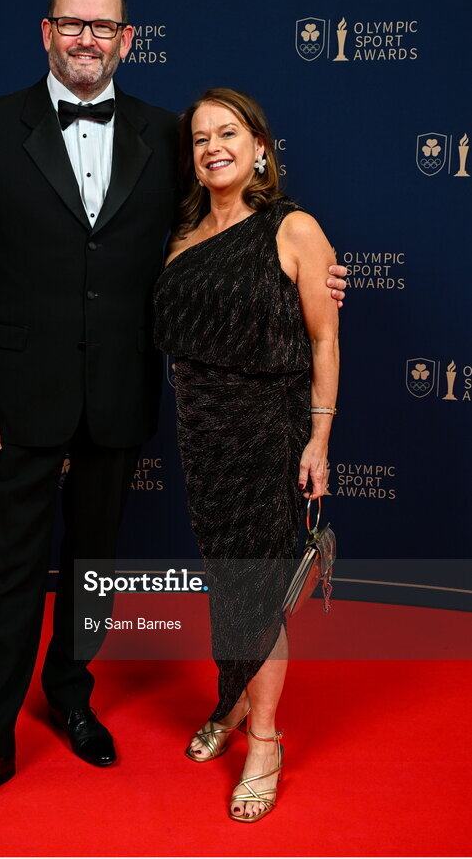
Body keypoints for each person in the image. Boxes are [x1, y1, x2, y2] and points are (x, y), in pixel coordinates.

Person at [0, 0, 347, 826]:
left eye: (102, 28)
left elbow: (231, 223)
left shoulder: (166, 133)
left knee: (93, 567)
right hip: (15, 397)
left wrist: (315, 272)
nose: (86, 40)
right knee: (9, 572)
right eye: (71, 25)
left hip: (120, 394)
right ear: (47, 31)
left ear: (126, 38)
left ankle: (71, 699)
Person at [154, 88, 339, 822]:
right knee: (226, 582)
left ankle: (263, 739)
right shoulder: (181, 239)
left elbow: (324, 338)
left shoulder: (293, 228)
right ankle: (231, 703)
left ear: (258, 145)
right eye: (199, 139)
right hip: (202, 434)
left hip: (270, 428)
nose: (212, 147)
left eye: (226, 132)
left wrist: (319, 436)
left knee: (254, 589)